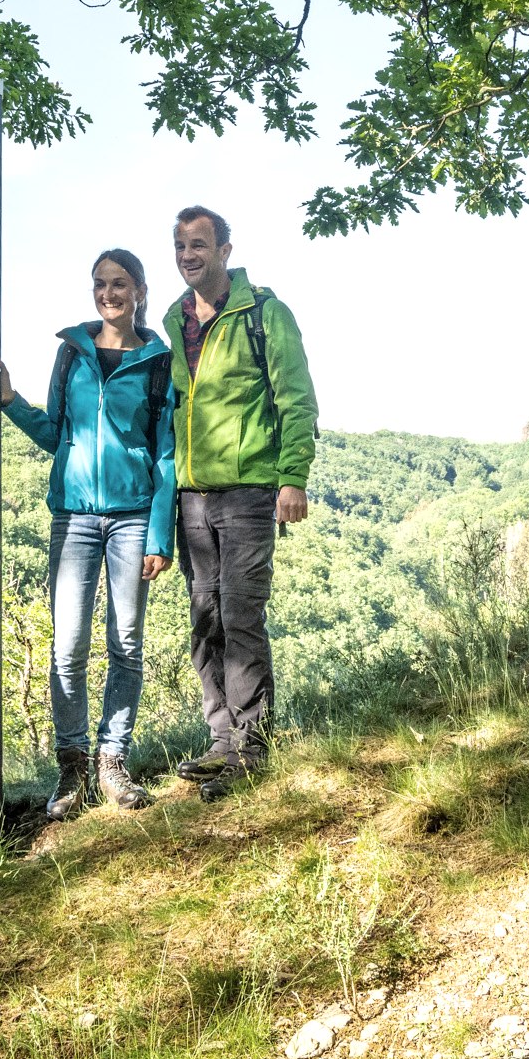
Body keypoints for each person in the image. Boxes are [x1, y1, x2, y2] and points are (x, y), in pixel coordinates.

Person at [0, 249, 177, 819]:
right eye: (100, 283)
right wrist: (11, 404)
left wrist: (160, 535)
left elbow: (166, 453)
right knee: (68, 646)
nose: (108, 293)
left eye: (120, 283)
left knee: (126, 644)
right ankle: (72, 766)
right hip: (73, 518)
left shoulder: (158, 362)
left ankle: (112, 762)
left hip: (133, 518)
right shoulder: (71, 353)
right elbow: (56, 433)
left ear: (140, 290)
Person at [159, 205, 318, 799]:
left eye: (199, 244)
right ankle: (222, 741)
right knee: (206, 620)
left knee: (241, 615)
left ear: (225, 250)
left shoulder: (264, 314)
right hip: (191, 497)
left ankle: (252, 747)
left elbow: (296, 399)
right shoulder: (175, 320)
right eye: (181, 246)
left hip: (250, 491)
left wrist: (292, 478)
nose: (188, 255)